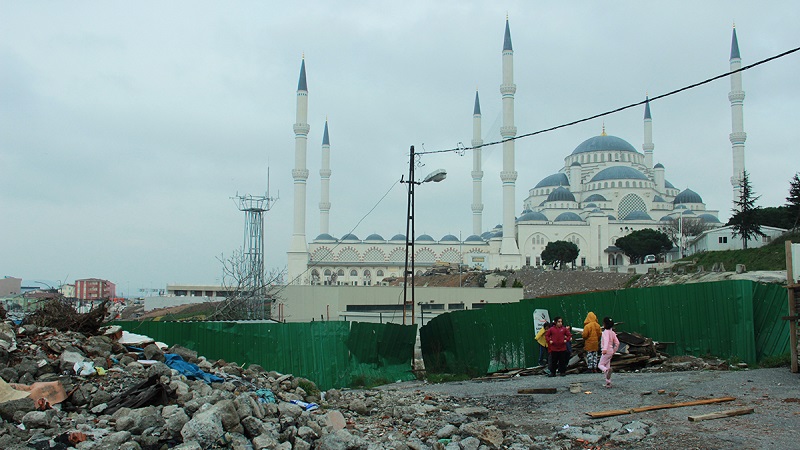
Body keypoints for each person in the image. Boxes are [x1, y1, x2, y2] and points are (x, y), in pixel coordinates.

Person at [598, 316, 620, 388]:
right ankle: (608, 382)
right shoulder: (612, 333)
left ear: (604, 324)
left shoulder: (605, 332)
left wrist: (604, 349)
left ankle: (606, 370)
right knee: (607, 365)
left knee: (600, 365)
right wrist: (614, 350)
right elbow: (617, 343)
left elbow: (606, 341)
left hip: (606, 351)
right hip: (611, 351)